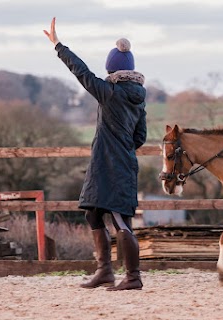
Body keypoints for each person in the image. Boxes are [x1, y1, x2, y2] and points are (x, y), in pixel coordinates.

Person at [44, 18, 147, 290]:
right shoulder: (138, 98)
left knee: (118, 218)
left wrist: (58, 45)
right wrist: (121, 147)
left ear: (111, 68)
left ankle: (133, 277)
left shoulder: (109, 92)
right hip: (113, 162)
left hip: (111, 164)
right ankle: (105, 272)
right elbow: (141, 137)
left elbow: (82, 72)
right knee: (92, 214)